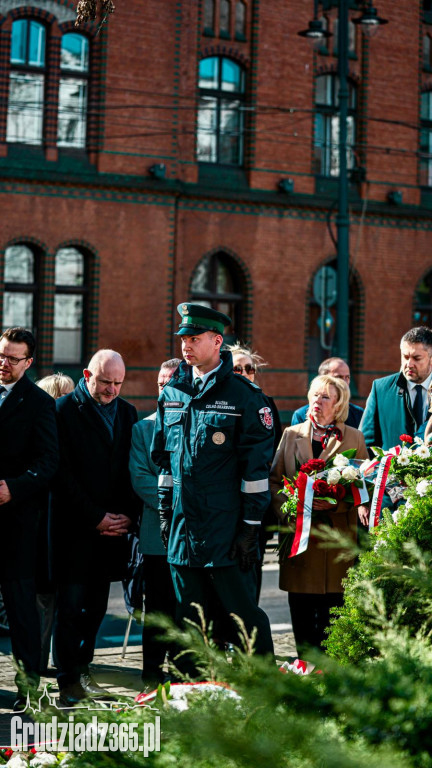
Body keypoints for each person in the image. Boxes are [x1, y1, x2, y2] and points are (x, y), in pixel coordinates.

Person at [151, 303, 275, 673]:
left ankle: (268, 690)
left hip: (227, 532)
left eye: (194, 338)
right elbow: (164, 461)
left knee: (242, 618)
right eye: (183, 339)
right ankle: (194, 697)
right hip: (182, 530)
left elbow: (255, 474)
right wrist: (164, 511)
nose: (186, 345)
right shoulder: (172, 392)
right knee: (189, 622)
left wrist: (250, 529)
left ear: (217, 342)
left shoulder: (244, 398)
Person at [51, 349, 141, 707]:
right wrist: (96, 517)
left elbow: (132, 470)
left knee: (97, 608)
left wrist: (126, 516)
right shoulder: (62, 412)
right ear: (87, 375)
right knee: (70, 609)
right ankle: (67, 679)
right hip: (76, 531)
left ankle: (84, 670)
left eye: (118, 383)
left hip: (113, 533)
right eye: (105, 382)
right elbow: (61, 474)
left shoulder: (128, 412)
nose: (112, 390)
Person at [270, 375, 369, 651]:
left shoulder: (354, 437)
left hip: (335, 543)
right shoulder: (291, 434)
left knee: (331, 620)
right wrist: (289, 511)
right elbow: (274, 480)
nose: (317, 401)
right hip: (300, 542)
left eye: (325, 397)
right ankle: (303, 669)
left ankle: (329, 677)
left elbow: (362, 489)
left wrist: (336, 503)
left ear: (338, 405)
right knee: (302, 617)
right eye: (314, 395)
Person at [0, 327, 59, 710]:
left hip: (16, 524)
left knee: (21, 611)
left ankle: (28, 689)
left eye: (12, 359)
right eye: (1, 356)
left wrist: (13, 488)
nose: (4, 364)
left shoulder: (39, 403)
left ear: (29, 362)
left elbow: (49, 462)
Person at [129, 357, 181, 687]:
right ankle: (151, 677)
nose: (164, 388)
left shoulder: (196, 425)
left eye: (171, 383)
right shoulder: (143, 428)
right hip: (156, 537)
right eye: (161, 383)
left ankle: (181, 679)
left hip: (192, 539)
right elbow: (139, 477)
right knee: (157, 613)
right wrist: (178, 500)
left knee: (185, 613)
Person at [35, 373, 75, 675]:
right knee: (43, 600)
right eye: (64, 397)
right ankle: (37, 662)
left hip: (65, 531)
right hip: (41, 531)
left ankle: (56, 660)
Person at [360, 326, 432, 450]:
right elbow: (365, 443)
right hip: (389, 469)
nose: (409, 364)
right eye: (405, 357)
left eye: (416, 358)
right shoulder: (381, 389)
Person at [291, 357, 363, 429]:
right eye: (338, 377)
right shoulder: (301, 415)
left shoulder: (359, 414)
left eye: (347, 377)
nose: (344, 382)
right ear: (323, 379)